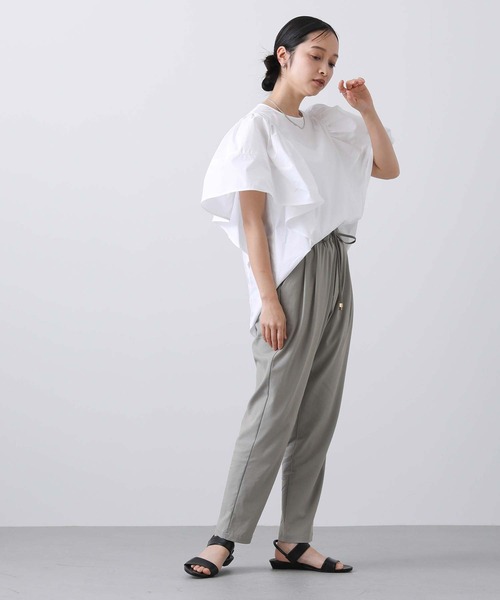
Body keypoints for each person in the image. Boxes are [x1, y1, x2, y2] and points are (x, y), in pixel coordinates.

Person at [183, 15, 399, 578]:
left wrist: (367, 110)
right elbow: (253, 223)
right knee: (273, 410)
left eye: (333, 61)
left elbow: (388, 167)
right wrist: (269, 300)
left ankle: (294, 541)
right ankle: (224, 537)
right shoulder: (255, 129)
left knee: (318, 411)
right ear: (284, 55)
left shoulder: (325, 124)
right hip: (289, 275)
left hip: (335, 265)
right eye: (315, 57)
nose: (325, 70)